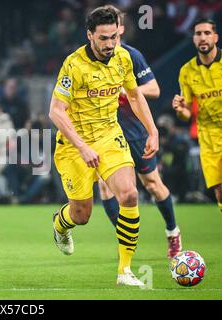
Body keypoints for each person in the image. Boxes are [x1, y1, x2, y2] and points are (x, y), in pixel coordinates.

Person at [49, 7, 159, 286]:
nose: (110, 44)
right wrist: (83, 147)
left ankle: (125, 271)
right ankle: (60, 224)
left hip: (109, 135)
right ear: (90, 36)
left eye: (114, 37)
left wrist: (152, 130)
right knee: (81, 214)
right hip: (74, 144)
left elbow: (135, 95)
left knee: (130, 195)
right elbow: (56, 112)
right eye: (104, 38)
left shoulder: (123, 57)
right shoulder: (73, 65)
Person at [98, 5, 182, 259]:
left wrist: (127, 91)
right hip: (106, 135)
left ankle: (173, 233)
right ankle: (126, 241)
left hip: (134, 132)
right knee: (105, 187)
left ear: (121, 29)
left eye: (116, 28)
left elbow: (155, 89)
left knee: (153, 184)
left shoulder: (131, 56)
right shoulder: (90, 60)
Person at [172, 18, 222, 213]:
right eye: (198, 34)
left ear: (216, 37)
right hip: (207, 138)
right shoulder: (186, 71)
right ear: (193, 39)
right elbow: (186, 115)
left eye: (207, 33)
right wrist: (180, 109)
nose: (203, 38)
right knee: (219, 192)